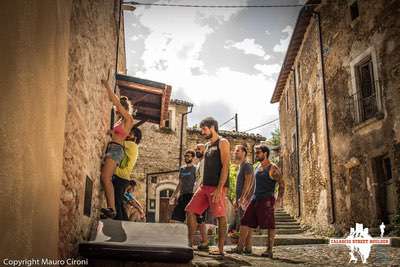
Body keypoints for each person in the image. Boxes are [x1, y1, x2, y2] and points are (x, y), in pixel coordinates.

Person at [185, 117, 230, 257]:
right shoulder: (208, 145)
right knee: (191, 210)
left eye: (204, 129)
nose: (202, 132)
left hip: (217, 187)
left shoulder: (222, 142)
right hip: (204, 186)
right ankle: (188, 244)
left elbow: (225, 165)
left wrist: (220, 188)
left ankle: (221, 248)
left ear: (212, 127)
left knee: (220, 216)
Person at [230, 144, 284, 258]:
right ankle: (239, 248)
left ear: (265, 153)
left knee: (270, 225)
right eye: (255, 152)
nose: (256, 154)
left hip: (267, 199)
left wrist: (279, 199)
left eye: (258, 152)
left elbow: (282, 184)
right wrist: (245, 196)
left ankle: (269, 250)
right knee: (245, 221)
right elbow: (252, 184)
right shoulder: (256, 167)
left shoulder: (273, 168)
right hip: (254, 199)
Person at [100, 76, 134, 219]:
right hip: (112, 148)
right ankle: (111, 208)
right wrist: (112, 132)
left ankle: (112, 209)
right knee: (106, 177)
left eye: (118, 108)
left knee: (105, 177)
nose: (116, 110)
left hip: (116, 150)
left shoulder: (128, 119)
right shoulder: (120, 121)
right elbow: (118, 134)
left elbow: (115, 102)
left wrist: (107, 85)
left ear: (124, 108)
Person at [112, 127, 142, 220]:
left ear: (135, 138)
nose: (128, 134)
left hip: (121, 176)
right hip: (124, 178)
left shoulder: (132, 144)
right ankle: (124, 219)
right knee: (119, 201)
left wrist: (111, 132)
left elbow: (117, 140)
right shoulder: (133, 146)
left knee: (117, 201)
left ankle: (118, 219)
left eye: (131, 133)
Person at [229, 144, 254, 245]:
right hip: (241, 199)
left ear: (244, 153)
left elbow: (249, 182)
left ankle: (240, 246)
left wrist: (243, 197)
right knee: (246, 222)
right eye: (235, 150)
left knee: (244, 223)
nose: (235, 152)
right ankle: (248, 247)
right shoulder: (241, 166)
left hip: (246, 200)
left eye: (237, 150)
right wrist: (236, 198)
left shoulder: (247, 165)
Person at [169, 150, 197, 223]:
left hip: (191, 195)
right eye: (185, 156)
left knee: (189, 217)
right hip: (182, 196)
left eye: (188, 156)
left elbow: (198, 182)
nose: (186, 158)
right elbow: (180, 183)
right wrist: (173, 196)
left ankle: (189, 233)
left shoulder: (195, 169)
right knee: (174, 218)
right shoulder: (182, 169)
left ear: (193, 158)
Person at [194, 143, 209, 251]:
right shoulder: (199, 163)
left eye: (199, 149)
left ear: (205, 150)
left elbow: (203, 179)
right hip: (197, 192)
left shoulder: (205, 162)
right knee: (199, 218)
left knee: (199, 218)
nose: (197, 150)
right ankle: (204, 241)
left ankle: (204, 241)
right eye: (196, 149)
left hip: (202, 193)